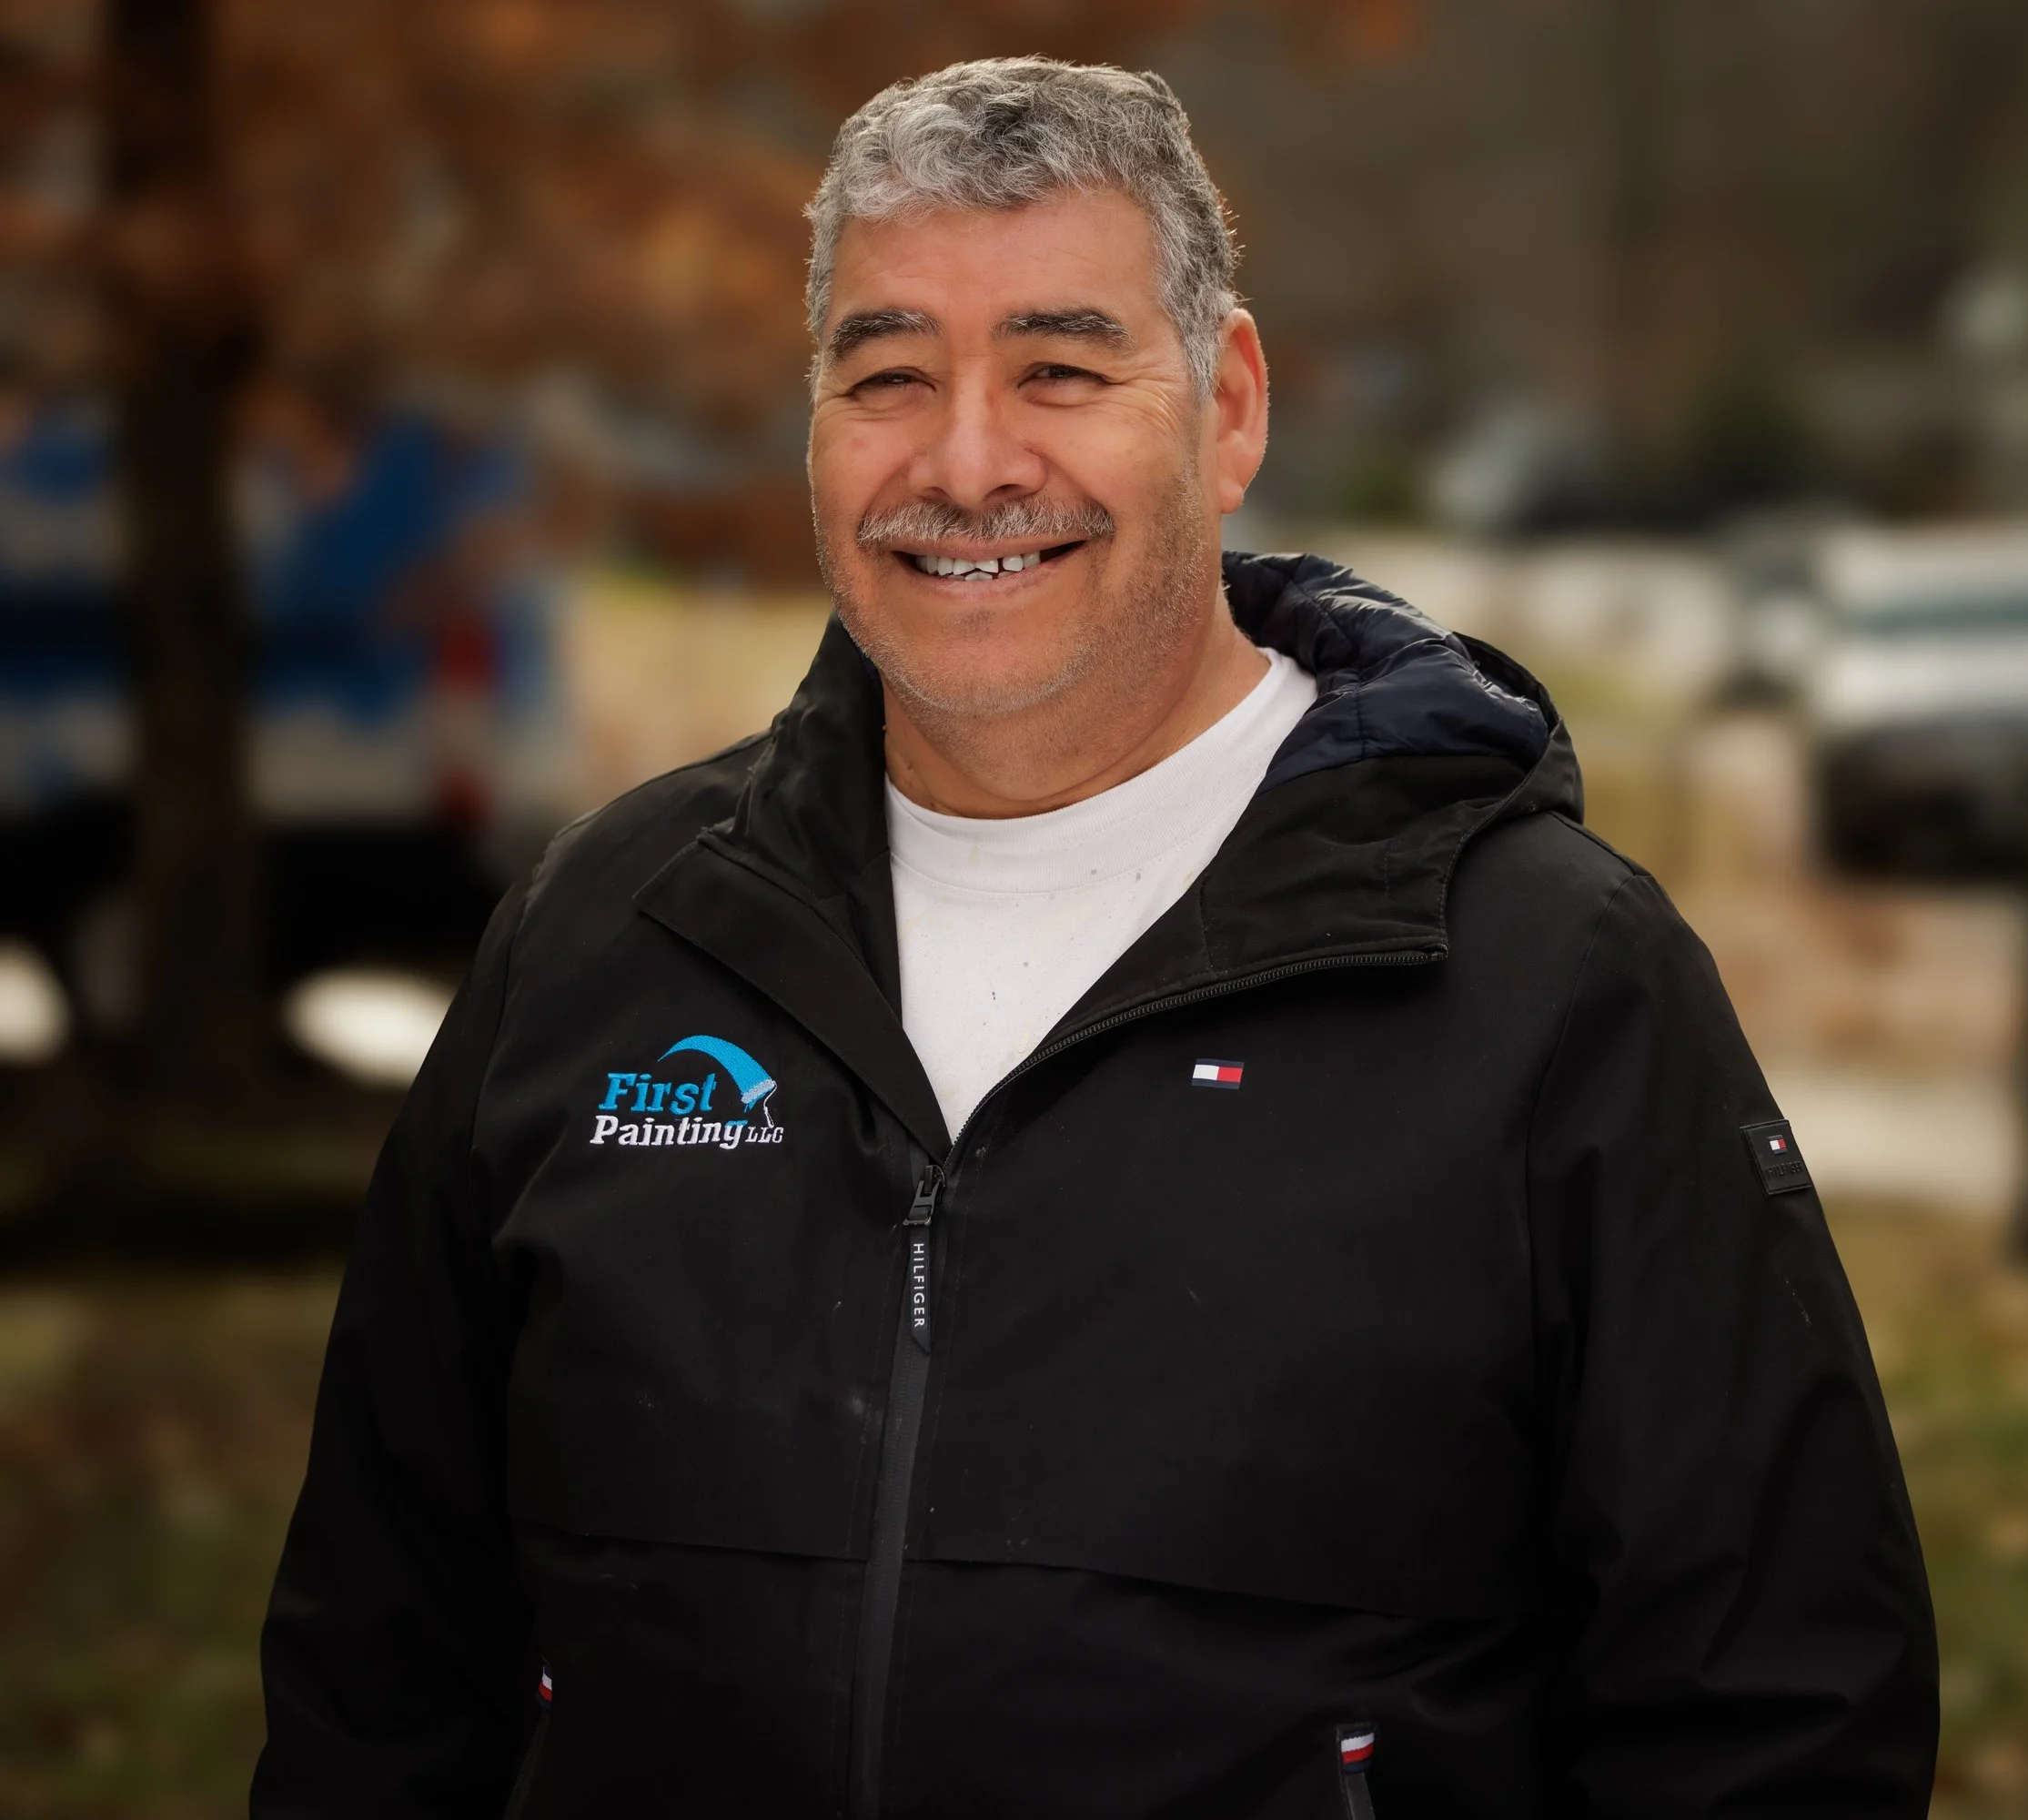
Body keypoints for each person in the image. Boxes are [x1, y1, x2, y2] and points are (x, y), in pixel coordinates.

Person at [254, 58, 1937, 1818]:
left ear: (1229, 409)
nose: (968, 461)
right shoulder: (603, 943)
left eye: (1059, 368)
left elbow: (1777, 1721)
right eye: (890, 376)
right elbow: (380, 1672)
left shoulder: (1549, 986)